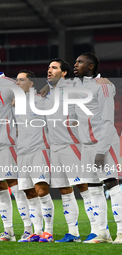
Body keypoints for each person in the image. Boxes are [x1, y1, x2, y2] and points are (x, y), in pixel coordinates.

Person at [0, 52, 31, 242]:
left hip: (6, 143)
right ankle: (8, 231)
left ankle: (28, 229)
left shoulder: (10, 84)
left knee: (15, 187)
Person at [44, 59, 96, 243]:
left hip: (72, 145)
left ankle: (97, 230)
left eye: (54, 68)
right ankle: (73, 233)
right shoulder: (49, 93)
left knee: (83, 186)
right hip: (55, 148)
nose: (49, 70)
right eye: (49, 67)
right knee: (65, 190)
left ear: (64, 73)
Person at [73, 53, 122, 244]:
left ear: (91, 66)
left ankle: (121, 232)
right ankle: (102, 233)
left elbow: (108, 119)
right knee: (93, 189)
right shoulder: (77, 86)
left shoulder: (103, 86)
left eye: (80, 62)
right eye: (76, 62)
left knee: (112, 185)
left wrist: (102, 149)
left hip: (103, 143)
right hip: (86, 146)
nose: (75, 64)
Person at [15, 70, 54, 242]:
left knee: (41, 190)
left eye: (21, 80)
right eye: (16, 80)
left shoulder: (42, 101)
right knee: (29, 193)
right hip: (21, 153)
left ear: (31, 84)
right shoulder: (15, 104)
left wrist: (49, 86)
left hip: (39, 149)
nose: (17, 83)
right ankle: (37, 232)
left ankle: (49, 231)